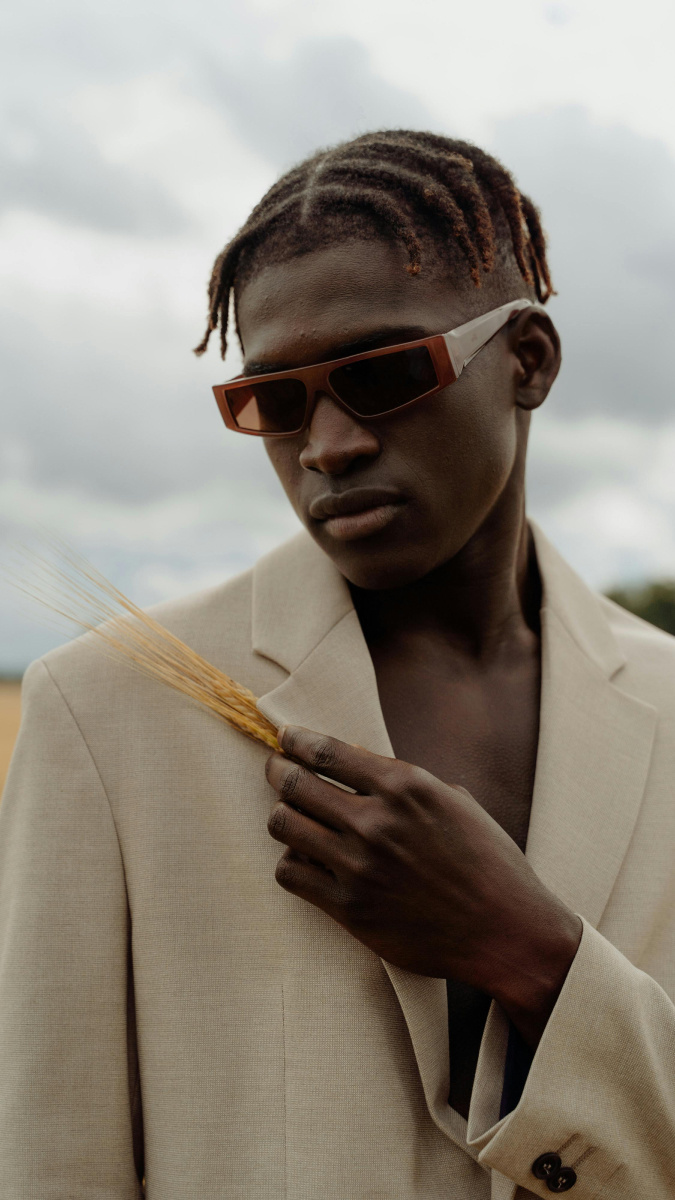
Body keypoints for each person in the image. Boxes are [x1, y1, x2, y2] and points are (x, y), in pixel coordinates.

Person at [1, 130, 674, 1199]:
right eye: (274, 401)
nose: (327, 446)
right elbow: (51, 1159)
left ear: (529, 362)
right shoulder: (107, 711)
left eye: (384, 375)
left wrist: (535, 956)